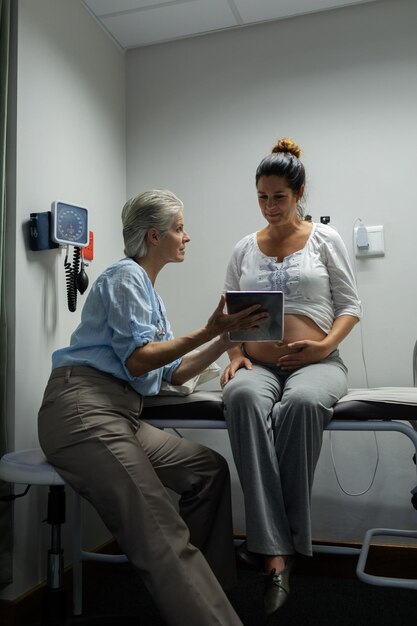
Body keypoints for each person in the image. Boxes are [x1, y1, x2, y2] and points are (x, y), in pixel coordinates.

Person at [38, 189, 267, 626]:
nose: (187, 237)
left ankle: (202, 596)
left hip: (120, 414)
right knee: (160, 527)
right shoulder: (124, 276)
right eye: (180, 228)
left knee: (207, 470)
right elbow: (139, 359)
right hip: (81, 410)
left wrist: (226, 335)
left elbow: (172, 373)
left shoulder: (150, 294)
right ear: (154, 235)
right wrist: (206, 330)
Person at [221, 138, 362, 617]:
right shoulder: (245, 248)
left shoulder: (326, 240)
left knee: (300, 405)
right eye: (261, 197)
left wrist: (323, 347)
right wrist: (237, 352)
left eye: (278, 197)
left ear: (299, 193)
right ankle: (279, 554)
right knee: (240, 397)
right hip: (258, 365)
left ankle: (274, 548)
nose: (269, 206)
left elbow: (350, 307)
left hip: (318, 364)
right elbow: (231, 314)